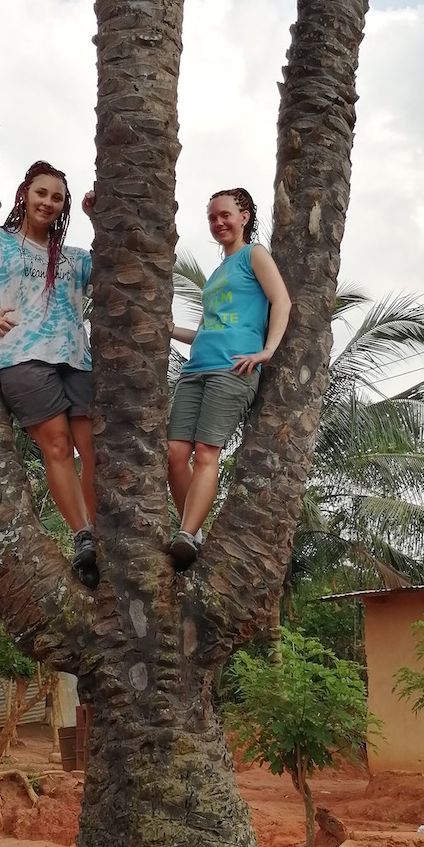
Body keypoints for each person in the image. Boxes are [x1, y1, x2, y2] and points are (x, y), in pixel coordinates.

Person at [0, 161, 98, 589]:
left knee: (96, 446)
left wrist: (101, 219)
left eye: (57, 197)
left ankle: (104, 535)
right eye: (41, 192)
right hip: (21, 361)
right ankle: (83, 537)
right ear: (25, 193)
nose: (48, 202)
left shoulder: (73, 258)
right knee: (59, 447)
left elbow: (121, 268)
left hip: (77, 359)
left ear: (64, 207)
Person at [167, 187, 292, 570]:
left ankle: (186, 534)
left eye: (225, 215)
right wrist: (170, 330)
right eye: (212, 217)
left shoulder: (254, 256)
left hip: (233, 367)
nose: (219, 222)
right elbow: (206, 328)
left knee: (206, 452)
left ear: (244, 217)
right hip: (197, 367)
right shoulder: (216, 274)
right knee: (174, 453)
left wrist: (267, 351)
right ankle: (196, 527)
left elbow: (282, 302)